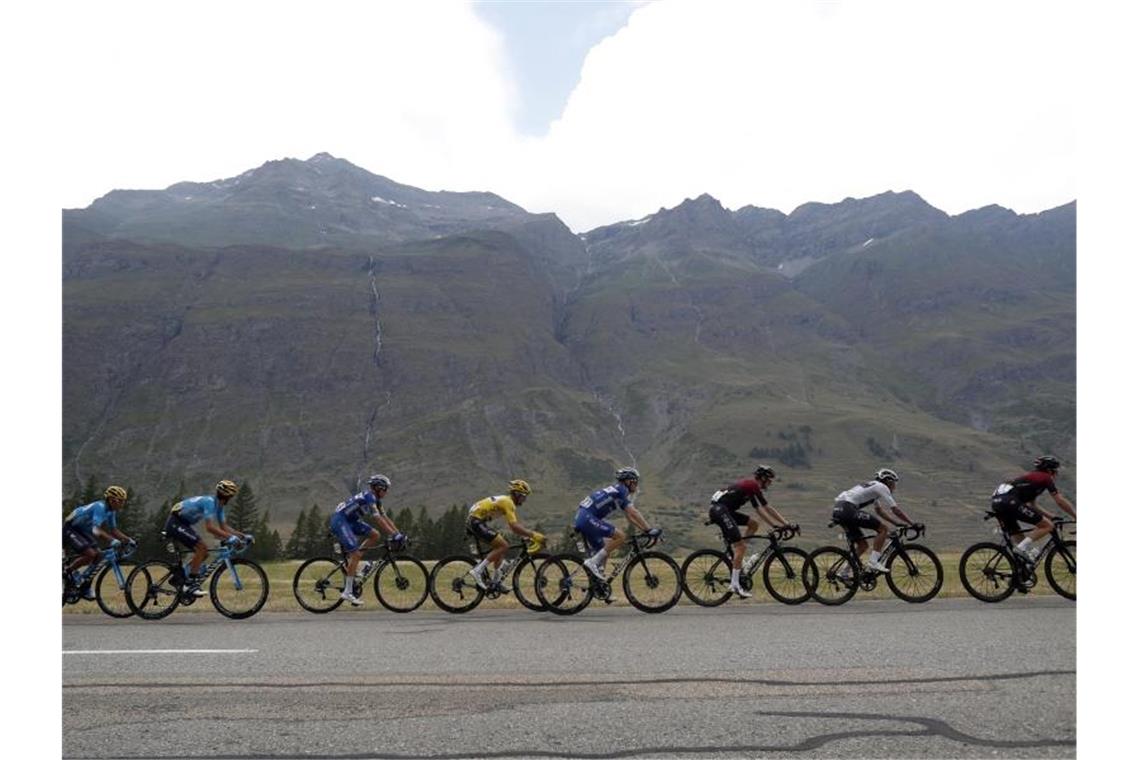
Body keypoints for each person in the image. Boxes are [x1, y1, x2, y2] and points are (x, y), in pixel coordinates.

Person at [708, 465, 794, 598]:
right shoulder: (752, 485)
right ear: (763, 478)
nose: (770, 483)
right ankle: (734, 585)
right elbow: (767, 507)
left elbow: (759, 510)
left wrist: (776, 525)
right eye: (769, 480)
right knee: (740, 547)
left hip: (724, 510)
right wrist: (784, 524)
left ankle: (739, 560)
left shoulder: (750, 488)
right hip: (720, 511)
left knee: (753, 524)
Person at [329, 474, 406, 606]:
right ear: (378, 488)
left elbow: (385, 518)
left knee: (375, 535)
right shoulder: (369, 497)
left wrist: (398, 534)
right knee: (356, 554)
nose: (386, 492)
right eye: (385, 489)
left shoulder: (377, 500)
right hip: (341, 521)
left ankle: (354, 562)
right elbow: (378, 520)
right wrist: (393, 535)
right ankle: (347, 592)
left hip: (351, 521)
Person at [575, 467, 661, 581]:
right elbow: (633, 512)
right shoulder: (622, 490)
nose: (636, 485)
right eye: (635, 482)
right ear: (628, 481)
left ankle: (599, 585)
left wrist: (645, 530)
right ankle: (592, 562)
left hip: (584, 517)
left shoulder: (617, 491)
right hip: (587, 518)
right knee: (620, 536)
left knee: (604, 549)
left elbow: (630, 517)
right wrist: (649, 529)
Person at [164, 480, 249, 596]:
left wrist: (242, 536)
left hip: (182, 524)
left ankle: (180, 577)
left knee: (204, 553)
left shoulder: (218, 506)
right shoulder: (210, 502)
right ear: (227, 496)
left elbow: (224, 527)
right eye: (231, 496)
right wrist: (231, 537)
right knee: (201, 548)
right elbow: (210, 528)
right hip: (175, 523)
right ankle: (189, 585)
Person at [990, 455, 1076, 562]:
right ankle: (1020, 549)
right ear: (1049, 470)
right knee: (1048, 526)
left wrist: (1053, 516)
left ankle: (1022, 573)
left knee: (1018, 536)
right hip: (1009, 501)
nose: (1056, 474)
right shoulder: (1045, 477)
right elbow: (1059, 500)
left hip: (997, 502)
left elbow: (1033, 506)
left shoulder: (1032, 480)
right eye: (1055, 471)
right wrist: (1075, 516)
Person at [831, 469, 916, 573]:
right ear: (888, 481)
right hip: (847, 509)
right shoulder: (881, 487)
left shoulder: (874, 488)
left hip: (839, 510)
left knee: (863, 545)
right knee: (883, 529)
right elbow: (895, 509)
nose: (894, 486)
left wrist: (896, 523)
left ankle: (844, 572)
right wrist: (912, 524)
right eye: (894, 483)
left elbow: (879, 511)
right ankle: (873, 561)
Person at [466, 480, 545, 590]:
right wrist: (533, 534)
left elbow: (514, 527)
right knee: (504, 546)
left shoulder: (506, 501)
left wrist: (525, 534)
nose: (524, 499)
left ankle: (496, 582)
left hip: (477, 521)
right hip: (476, 521)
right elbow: (514, 526)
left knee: (501, 547)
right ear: (517, 494)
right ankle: (477, 571)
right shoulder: (508, 502)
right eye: (523, 496)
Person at [64, 485, 136, 599]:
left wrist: (129, 540)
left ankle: (85, 587)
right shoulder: (100, 506)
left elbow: (114, 530)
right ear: (112, 500)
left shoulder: (112, 511)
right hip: (71, 528)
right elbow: (95, 529)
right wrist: (112, 541)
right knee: (90, 554)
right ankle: (68, 572)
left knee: (99, 556)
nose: (122, 504)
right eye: (120, 501)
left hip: (82, 531)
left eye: (123, 501)